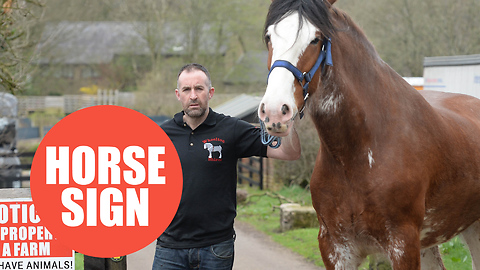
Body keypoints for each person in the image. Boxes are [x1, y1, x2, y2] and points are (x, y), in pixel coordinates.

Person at [152, 63, 301, 270]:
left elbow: (288, 152)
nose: (193, 95)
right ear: (178, 94)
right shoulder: (160, 135)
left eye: (199, 89)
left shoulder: (231, 129)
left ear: (210, 92)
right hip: (169, 248)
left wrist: (288, 118)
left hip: (215, 248)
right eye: (187, 90)